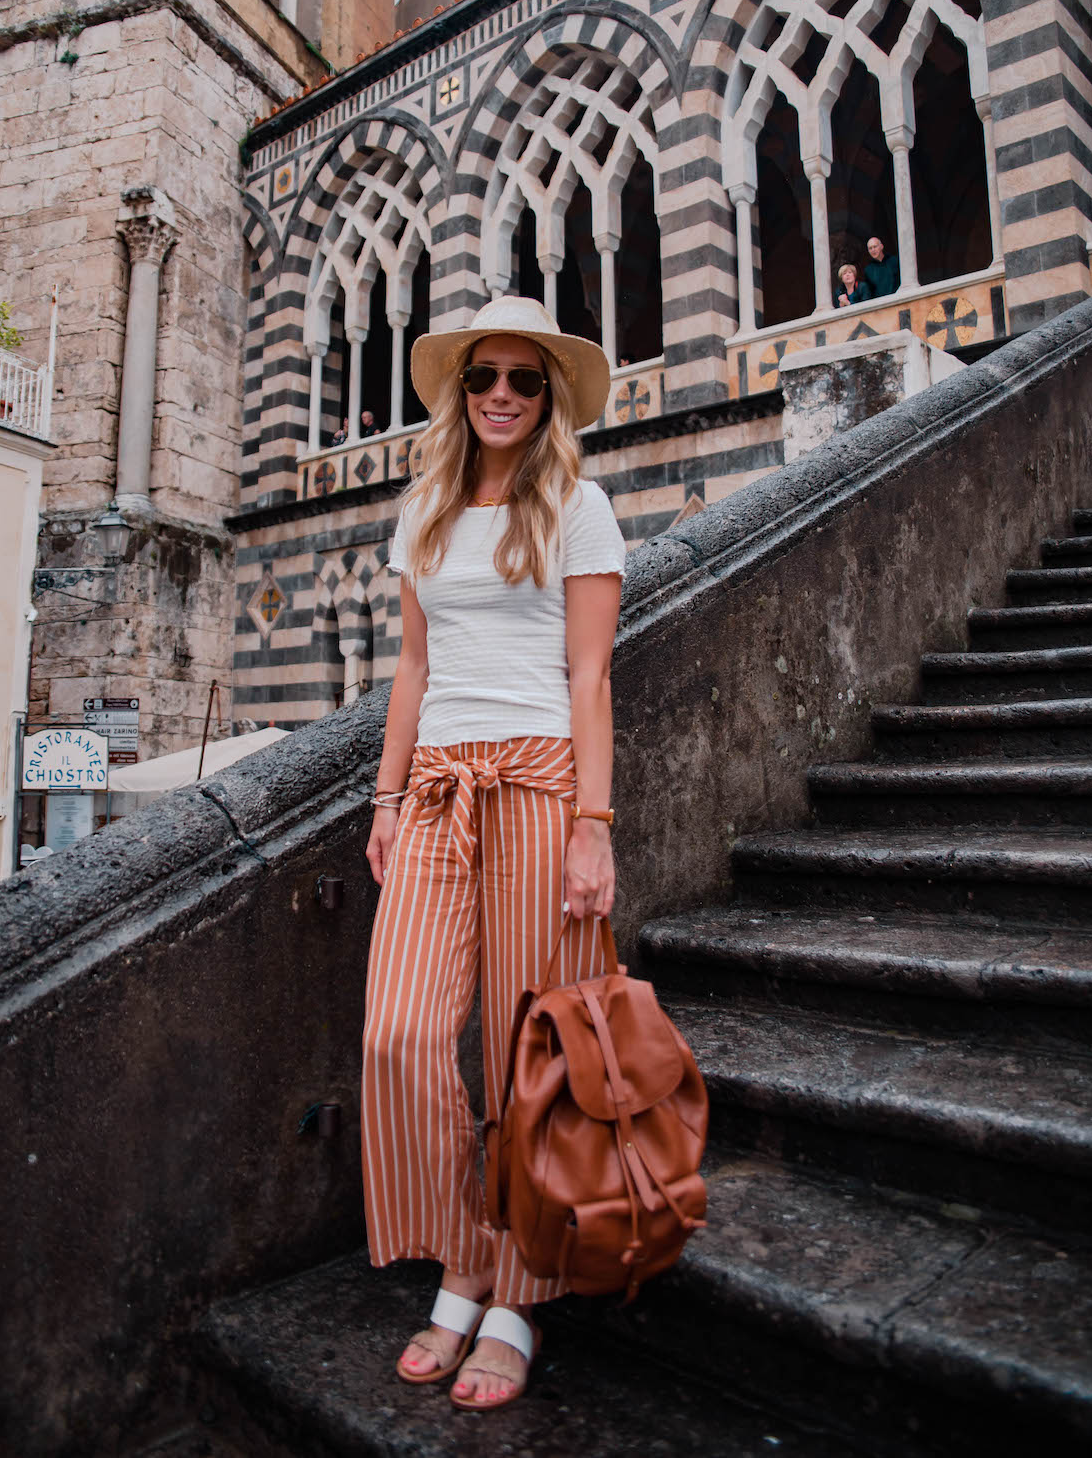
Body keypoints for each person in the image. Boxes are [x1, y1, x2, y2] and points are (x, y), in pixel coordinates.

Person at [362, 295, 626, 1413]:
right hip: (434, 791)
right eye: (484, 379)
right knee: (403, 1033)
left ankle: (513, 1292)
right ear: (459, 393)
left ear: (549, 393)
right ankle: (464, 1248)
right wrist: (383, 796)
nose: (503, 394)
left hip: (538, 784)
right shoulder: (424, 508)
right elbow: (412, 671)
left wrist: (593, 827)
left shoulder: (579, 503)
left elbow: (591, 678)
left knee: (527, 1048)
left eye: (523, 378)